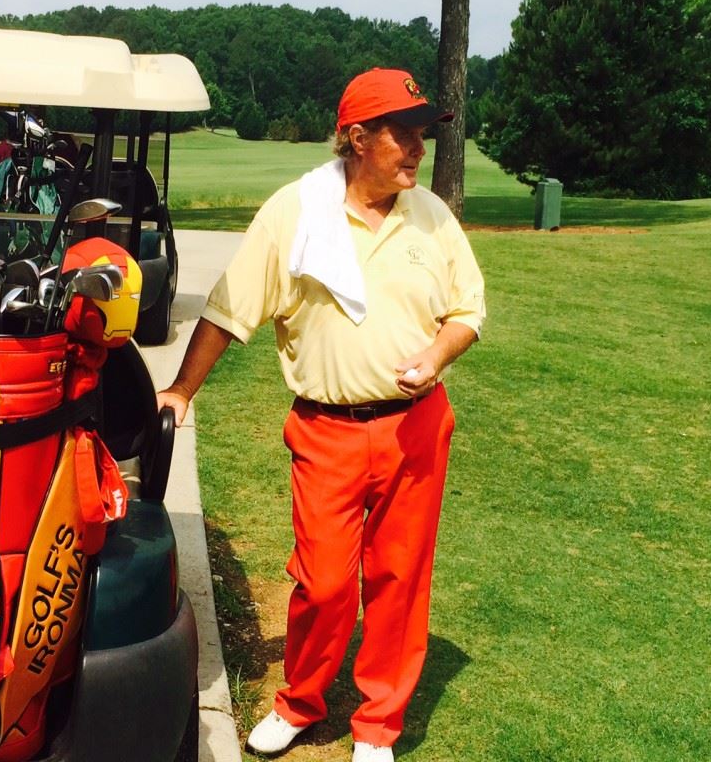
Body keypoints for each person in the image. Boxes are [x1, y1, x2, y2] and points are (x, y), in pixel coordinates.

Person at [157, 67, 486, 762]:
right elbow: (230, 307)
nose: (418, 148)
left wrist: (436, 355)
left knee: (400, 577)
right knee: (326, 580)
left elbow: (467, 312)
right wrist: (182, 390)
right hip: (328, 431)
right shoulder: (295, 212)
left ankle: (377, 725)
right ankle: (302, 701)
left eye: (422, 133)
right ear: (358, 137)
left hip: (418, 423)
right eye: (404, 133)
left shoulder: (431, 214)